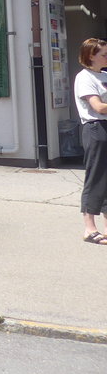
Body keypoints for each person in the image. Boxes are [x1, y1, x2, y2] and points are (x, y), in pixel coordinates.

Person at [74, 37, 107, 243]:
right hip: (96, 128)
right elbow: (98, 107)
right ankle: (89, 228)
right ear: (90, 56)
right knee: (95, 177)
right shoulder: (84, 77)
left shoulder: (104, 75)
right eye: (104, 54)